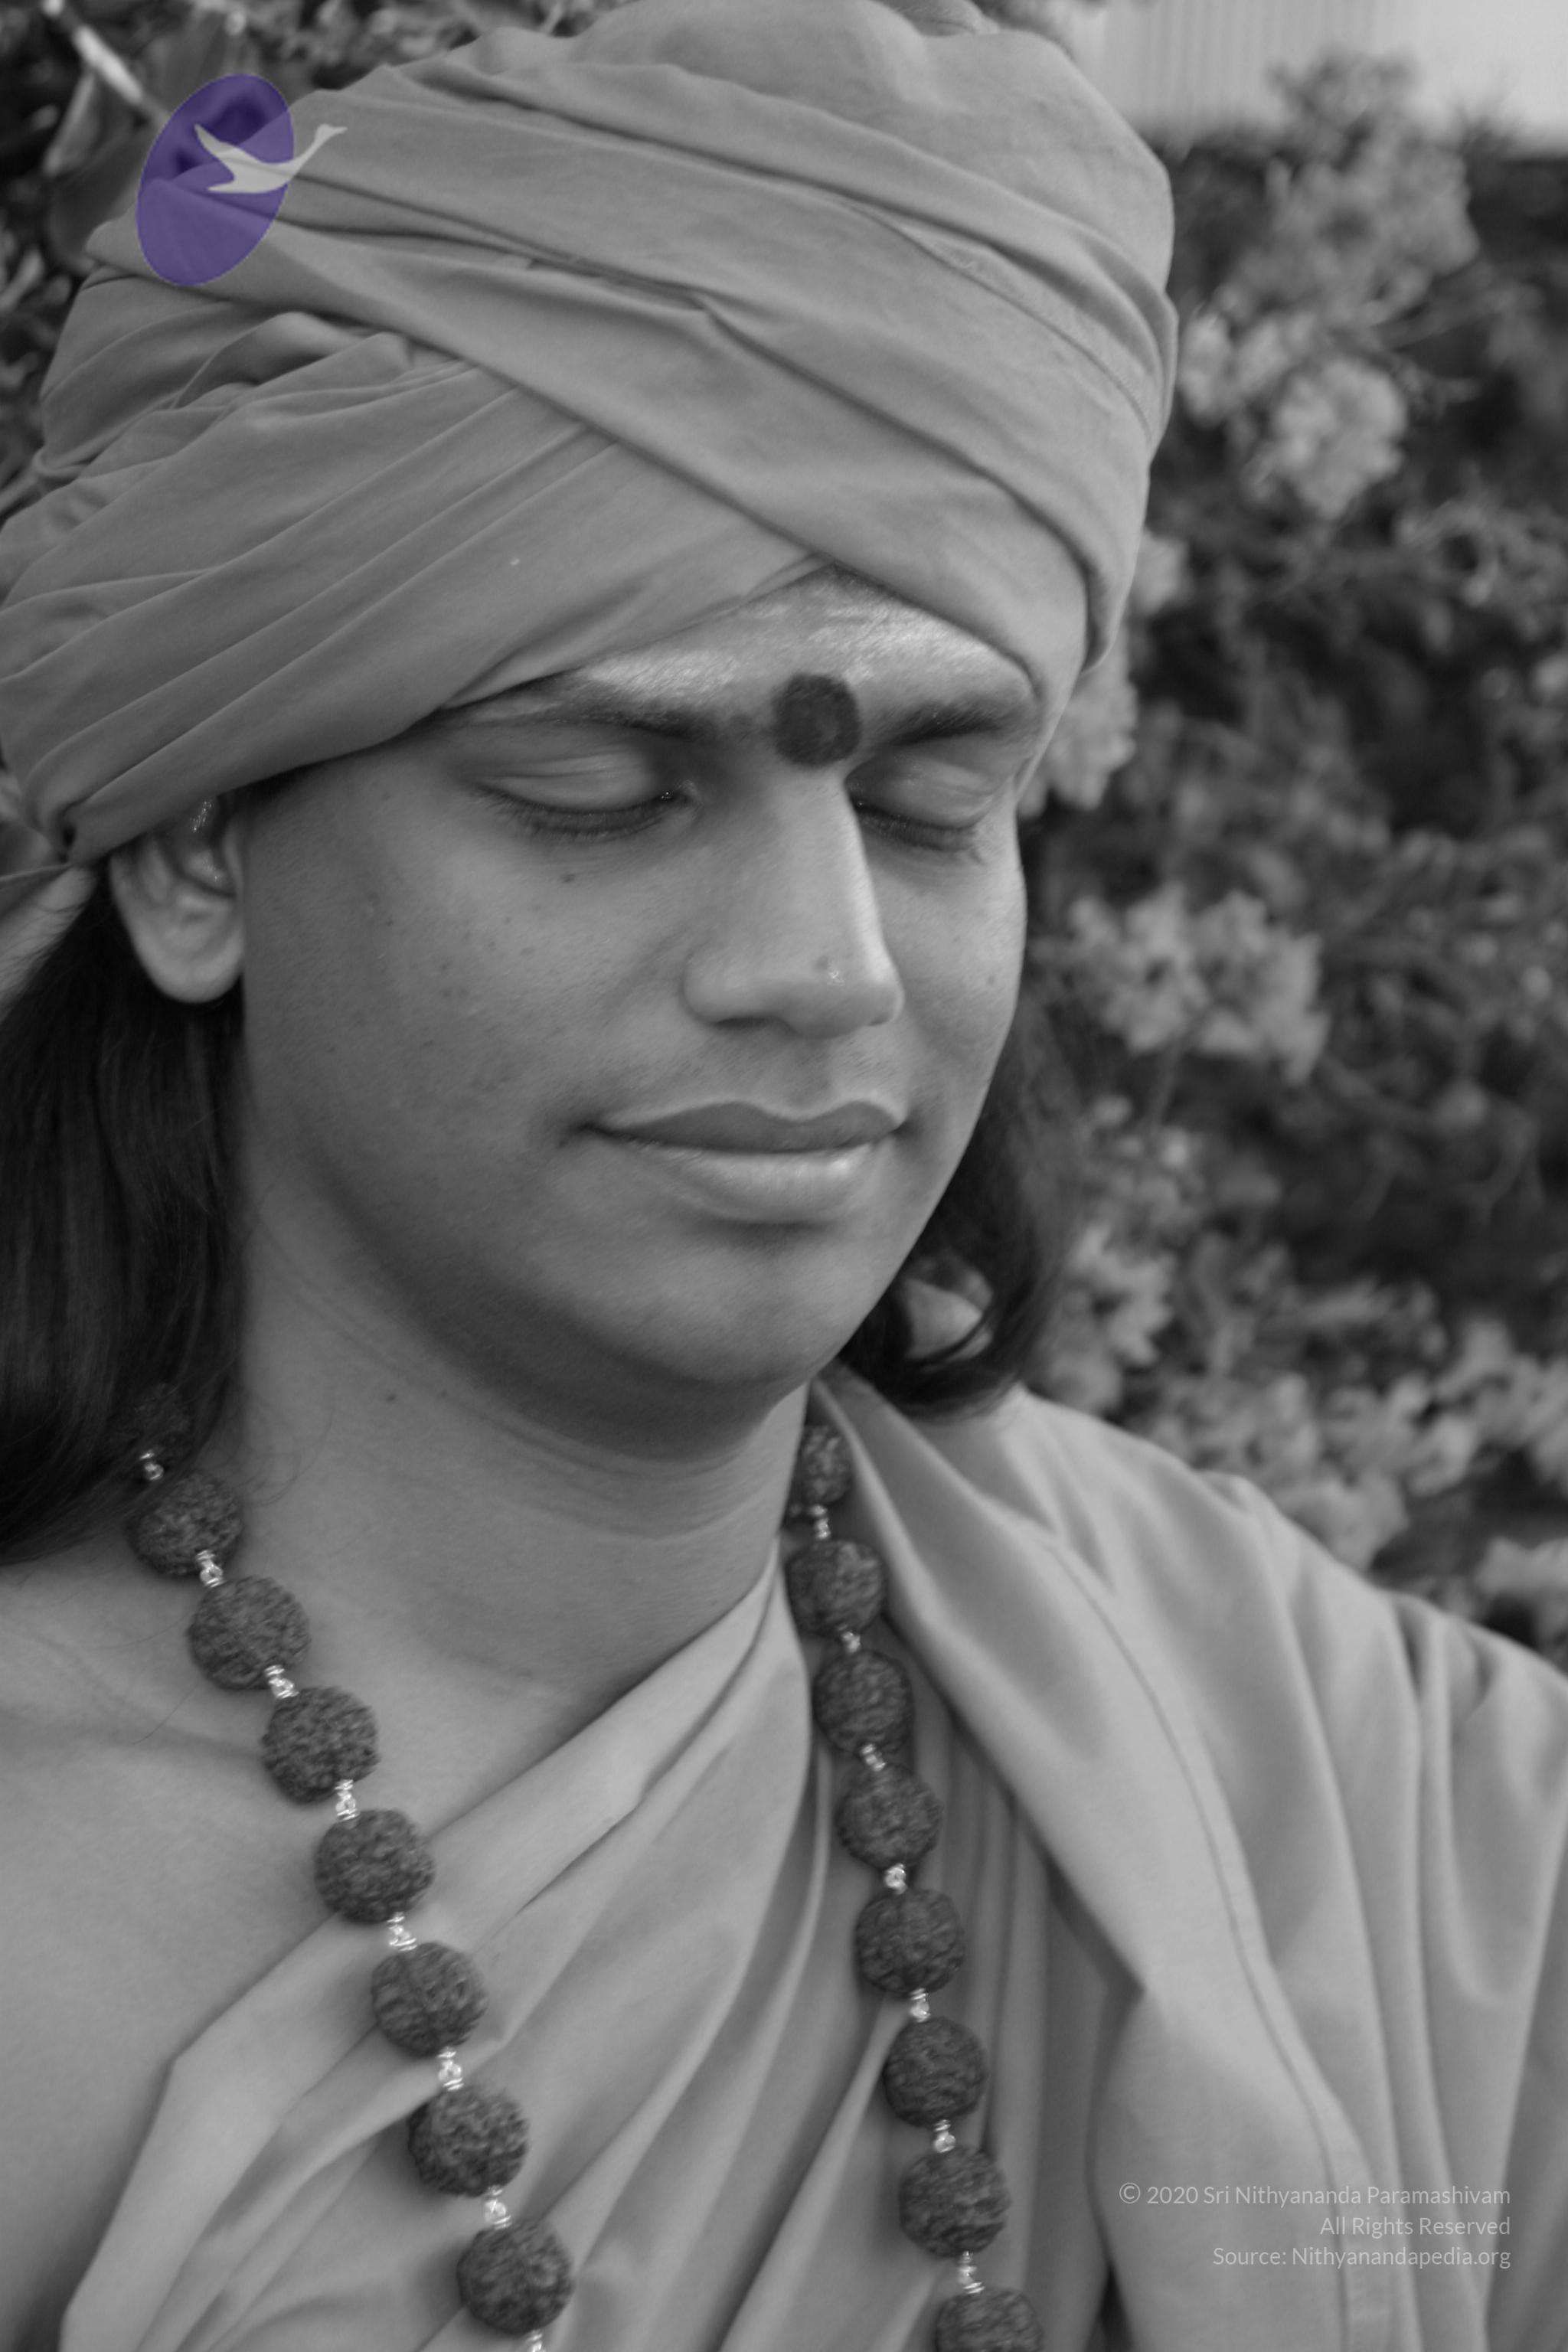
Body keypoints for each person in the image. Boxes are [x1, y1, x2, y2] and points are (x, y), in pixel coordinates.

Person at [0, 2, 1564, 2348]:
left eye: (935, 801)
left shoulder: (1325, 1769)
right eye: (604, 792)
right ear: (200, 854)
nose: (827, 968)